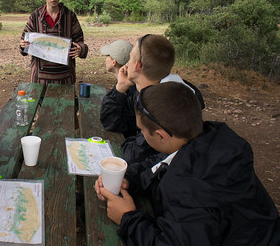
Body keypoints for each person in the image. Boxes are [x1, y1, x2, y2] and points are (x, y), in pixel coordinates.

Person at [95, 82, 280, 246]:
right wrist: (130, 179)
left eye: (142, 130)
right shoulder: (210, 140)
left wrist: (127, 219)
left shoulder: (189, 187)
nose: (141, 135)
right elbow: (161, 163)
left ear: (161, 135)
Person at [100, 34, 205, 163]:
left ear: (137, 65)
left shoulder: (165, 103)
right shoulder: (147, 89)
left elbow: (134, 155)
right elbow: (111, 121)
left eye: (131, 58)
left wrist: (129, 138)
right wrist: (121, 88)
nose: (126, 64)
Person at [19, 0, 88, 84]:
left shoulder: (70, 16)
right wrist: (23, 45)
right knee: (40, 101)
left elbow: (80, 40)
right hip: (40, 78)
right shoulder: (35, 16)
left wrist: (80, 49)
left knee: (66, 101)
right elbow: (24, 43)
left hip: (65, 77)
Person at [99, 40, 137, 136]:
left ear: (113, 62)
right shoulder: (134, 83)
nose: (105, 58)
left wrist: (119, 90)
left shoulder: (130, 90)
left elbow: (110, 121)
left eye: (108, 56)